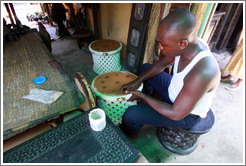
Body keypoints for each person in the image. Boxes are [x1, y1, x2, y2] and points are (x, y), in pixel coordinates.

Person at [119, 8, 221, 138]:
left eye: (163, 44)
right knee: (145, 68)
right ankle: (147, 103)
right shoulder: (189, 44)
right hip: (175, 92)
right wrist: (137, 81)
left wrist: (140, 95)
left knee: (131, 114)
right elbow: (162, 64)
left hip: (184, 114)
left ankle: (129, 135)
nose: (160, 47)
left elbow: (176, 113)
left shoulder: (202, 72)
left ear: (182, 44)